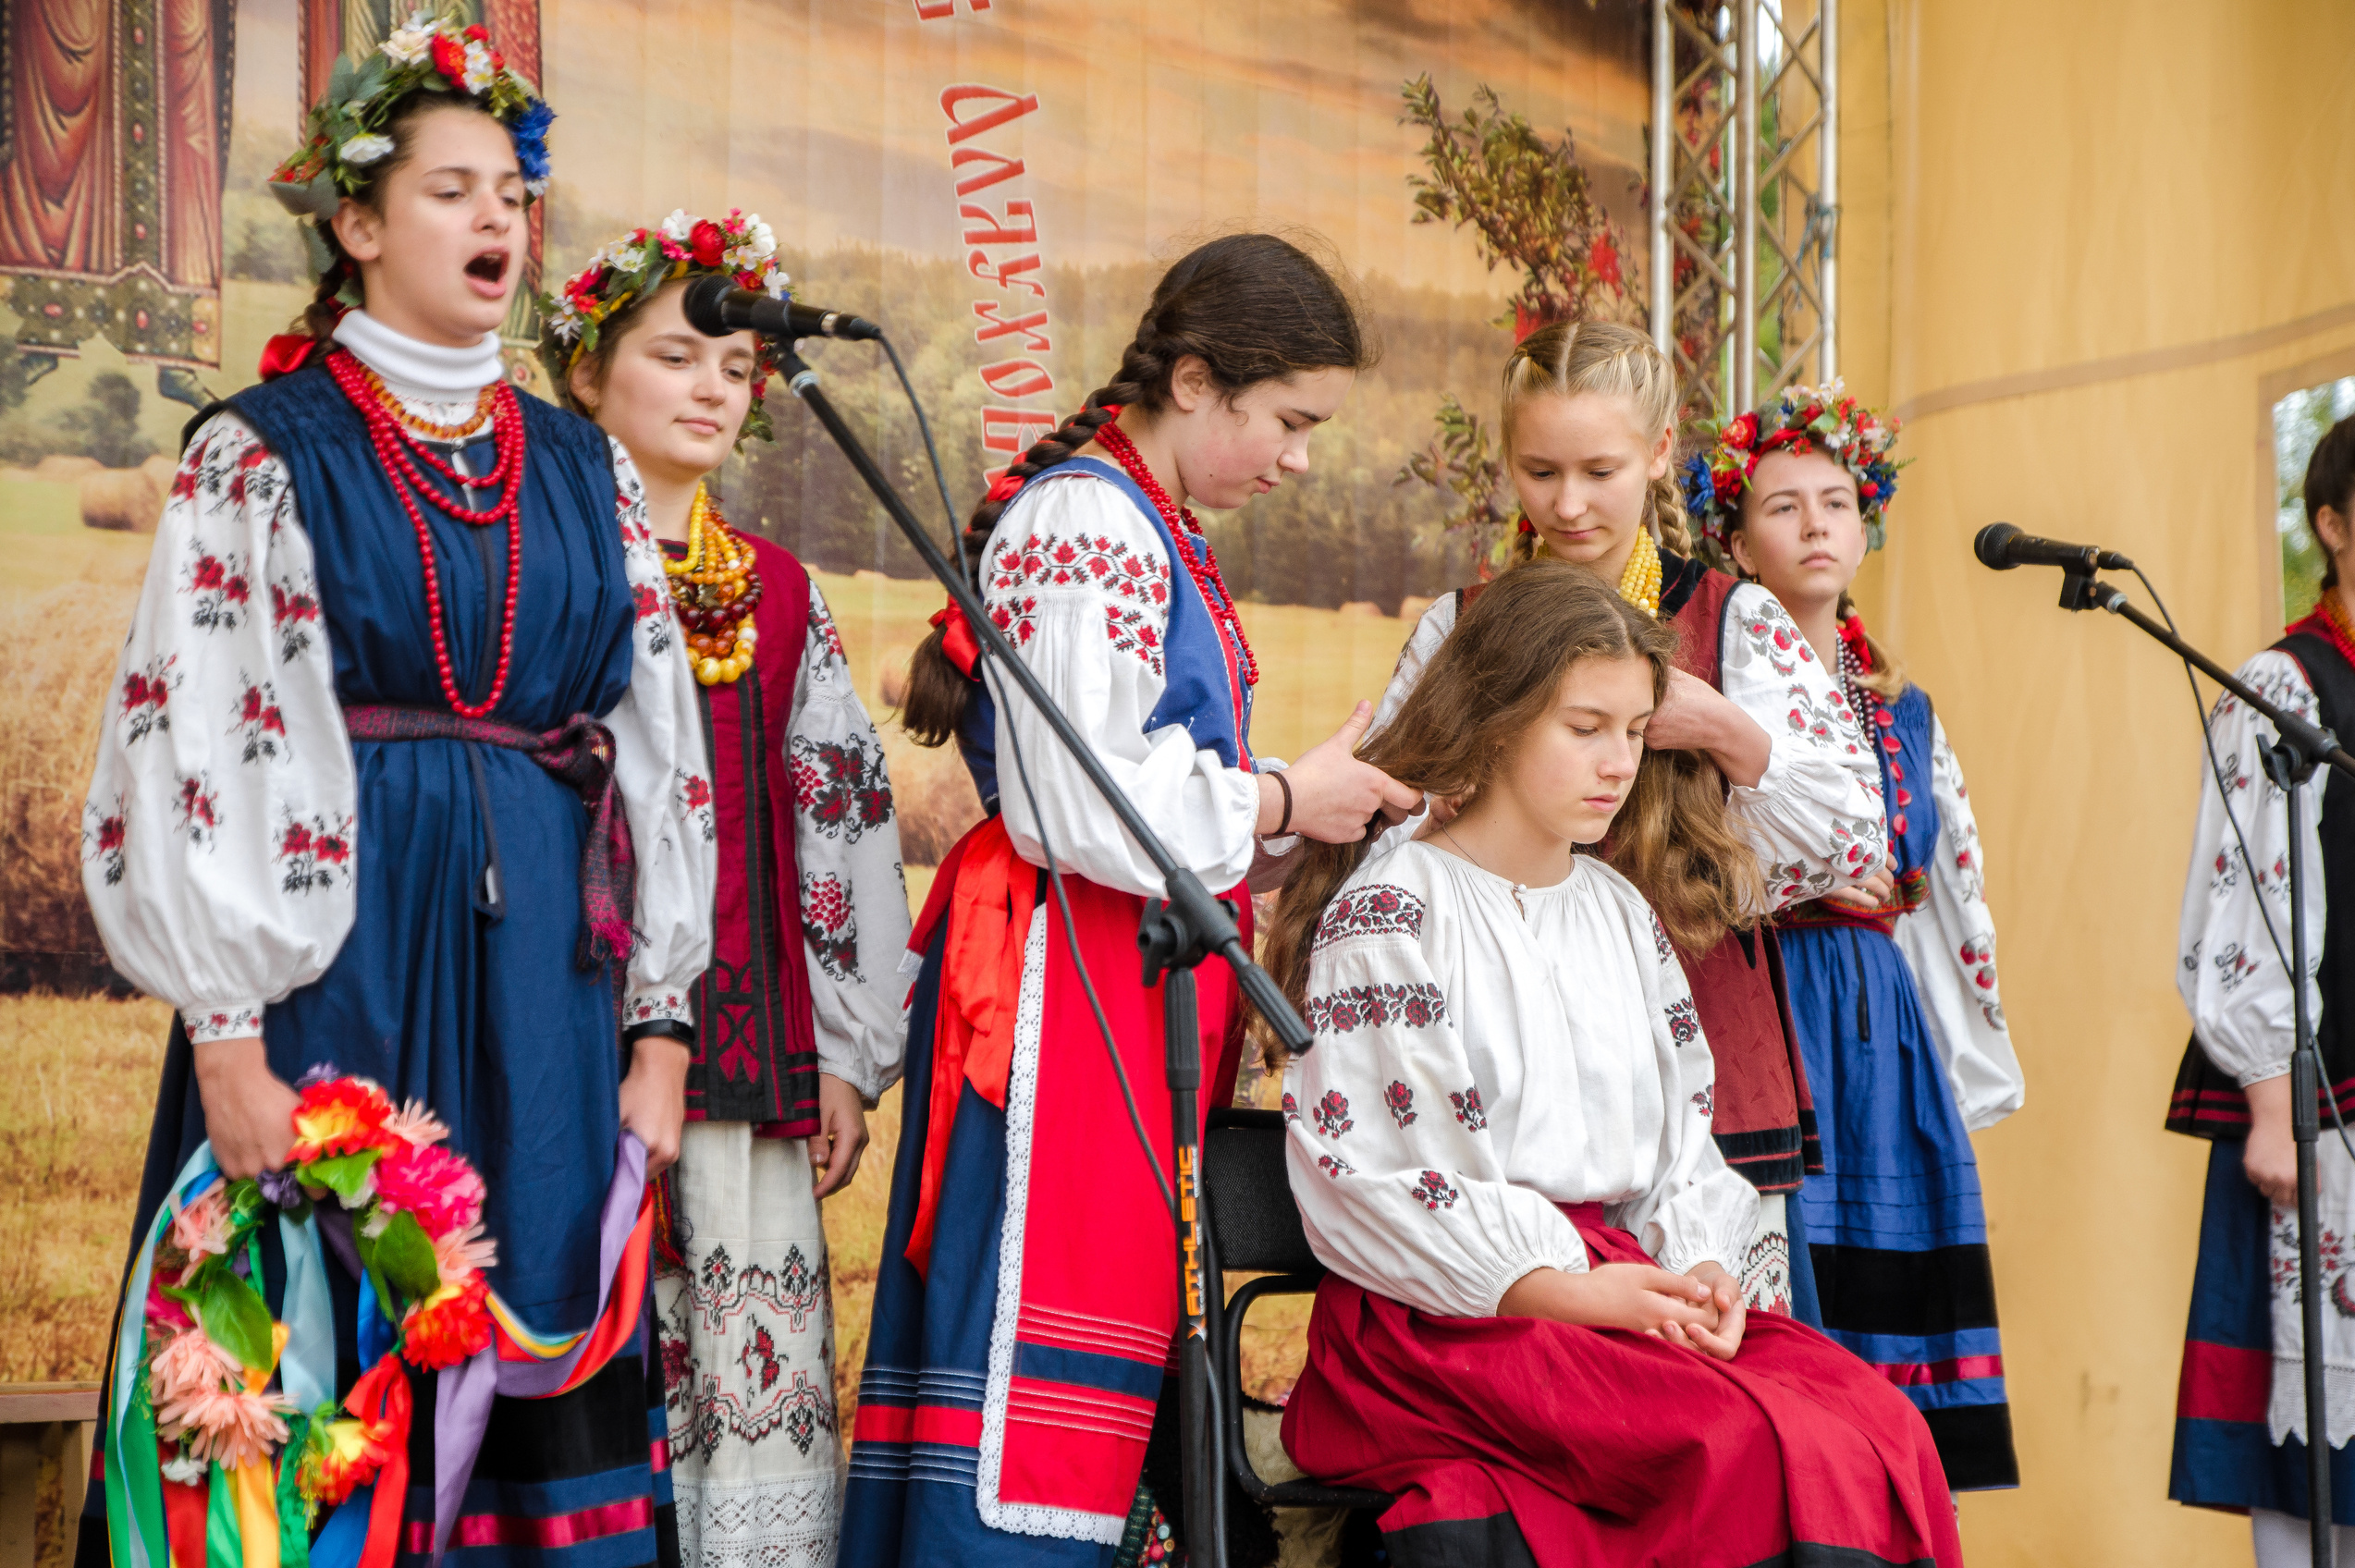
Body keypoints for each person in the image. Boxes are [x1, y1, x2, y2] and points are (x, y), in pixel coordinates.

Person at [75, 24, 713, 1566]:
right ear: (358, 224)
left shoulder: (586, 468)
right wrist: (228, 1045)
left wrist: (662, 1030)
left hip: (547, 988)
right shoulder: (262, 452)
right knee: (305, 1380)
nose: (497, 218)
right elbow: (194, 738)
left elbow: (655, 747)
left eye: (512, 193)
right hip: (331, 980)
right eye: (451, 190)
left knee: (539, 1319)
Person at [843, 233, 1419, 1566]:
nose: (1299, 459)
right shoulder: (1088, 523)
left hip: (1123, 974)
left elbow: (1150, 808)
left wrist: (1306, 816)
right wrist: (1281, 795)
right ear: (1198, 380)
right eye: (1289, 421)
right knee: (1029, 1366)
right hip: (1062, 994)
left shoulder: (1153, 525)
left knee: (1106, 1360)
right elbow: (1078, 803)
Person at [1267, 559, 1961, 1568]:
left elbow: (1681, 1147)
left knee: (1879, 1424)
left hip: (1611, 1282)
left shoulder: (1617, 909)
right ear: (1495, 723)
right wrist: (1572, 1291)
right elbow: (1378, 1179)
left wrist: (1704, 1268)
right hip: (1448, 1318)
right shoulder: (1394, 911)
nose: (1618, 763)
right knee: (1745, 1443)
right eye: (1584, 728)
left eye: (1634, 732)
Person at [538, 212, 910, 1568]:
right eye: (675, 355)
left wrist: (851, 1055)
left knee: (737, 1413)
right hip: (558, 1038)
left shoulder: (780, 593)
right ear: (587, 371)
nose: (712, 386)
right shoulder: (535, 567)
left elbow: (841, 819)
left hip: (742, 1062)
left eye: (738, 367)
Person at [1377, 321, 1885, 1312]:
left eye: (1599, 471)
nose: (1567, 504)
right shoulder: (1463, 626)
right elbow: (1386, 832)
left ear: (1657, 454)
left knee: (1709, 1343)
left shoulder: (1735, 619)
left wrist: (1724, 728)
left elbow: (1857, 836)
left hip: (1704, 1065)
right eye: (1540, 471)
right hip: (1508, 1075)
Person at [1698, 380, 2024, 1491]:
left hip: (1877, 1016)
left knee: (1892, 1279)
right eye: (1781, 506)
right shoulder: (1711, 682)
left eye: (1835, 502)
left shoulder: (1904, 707)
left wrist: (1962, 1050)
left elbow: (1948, 884)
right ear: (1734, 537)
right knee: (1784, 1273)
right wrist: (1824, 869)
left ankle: (1896, 1505)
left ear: (1864, 521)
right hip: (1759, 993)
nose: (1814, 525)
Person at [2167, 410, 2355, 1564]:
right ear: (2331, 525)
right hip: (2327, 1099)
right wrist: (2267, 1098)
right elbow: (2245, 895)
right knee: (2320, 1421)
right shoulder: (2282, 687)